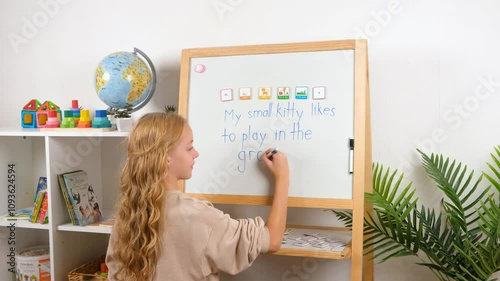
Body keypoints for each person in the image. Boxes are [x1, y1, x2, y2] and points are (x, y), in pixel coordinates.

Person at [105, 112, 289, 281]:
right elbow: (272, 241)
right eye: (189, 147)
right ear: (166, 156)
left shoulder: (126, 214)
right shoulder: (198, 216)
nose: (196, 153)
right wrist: (283, 177)